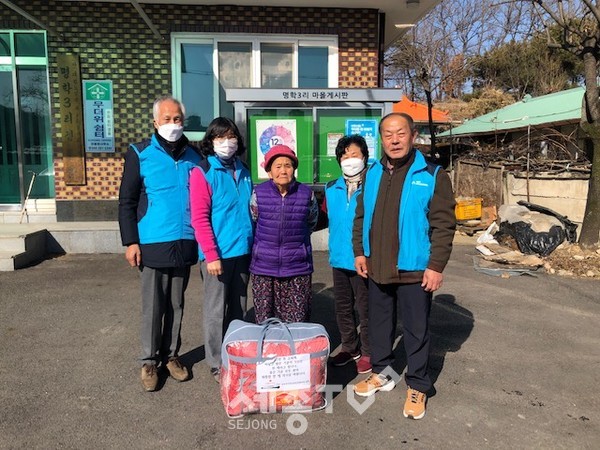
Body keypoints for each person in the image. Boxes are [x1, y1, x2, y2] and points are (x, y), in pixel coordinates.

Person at [352, 112, 456, 420]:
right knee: (379, 325)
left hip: (414, 267)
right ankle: (382, 372)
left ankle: (418, 384)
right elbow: (362, 216)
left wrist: (436, 265)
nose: (394, 140)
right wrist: (360, 252)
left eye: (400, 134)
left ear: (413, 135)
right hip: (377, 266)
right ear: (381, 139)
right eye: (387, 135)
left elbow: (443, 224)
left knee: (416, 329)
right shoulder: (372, 173)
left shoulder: (432, 174)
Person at [118, 95, 201, 392]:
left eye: (177, 119)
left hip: (185, 239)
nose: (173, 124)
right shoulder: (140, 153)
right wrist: (131, 241)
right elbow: (127, 201)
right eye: (167, 119)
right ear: (155, 122)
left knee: (177, 303)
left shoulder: (195, 156)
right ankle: (149, 360)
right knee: (153, 306)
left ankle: (171, 355)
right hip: (152, 241)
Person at [189, 117, 254, 383]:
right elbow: (200, 218)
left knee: (239, 308)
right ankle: (216, 362)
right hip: (217, 255)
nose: (227, 143)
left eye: (231, 137)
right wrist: (211, 255)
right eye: (220, 138)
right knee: (215, 311)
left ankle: (235, 354)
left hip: (243, 251)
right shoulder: (203, 171)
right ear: (211, 142)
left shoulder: (245, 169)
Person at [250, 144, 319, 324]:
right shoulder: (258, 193)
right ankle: (268, 353)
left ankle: (294, 353)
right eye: (277, 166)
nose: (283, 170)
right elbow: (254, 220)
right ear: (269, 171)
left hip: (297, 267)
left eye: (287, 165)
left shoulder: (306, 194)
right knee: (265, 321)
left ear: (294, 169)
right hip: (264, 267)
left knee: (296, 321)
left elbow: (311, 222)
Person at [322, 135, 371, 374]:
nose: (349, 159)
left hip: (365, 258)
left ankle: (370, 351)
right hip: (339, 258)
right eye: (344, 155)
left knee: (366, 308)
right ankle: (350, 348)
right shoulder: (331, 188)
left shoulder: (374, 185)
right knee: (342, 307)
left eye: (355, 154)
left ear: (365, 157)